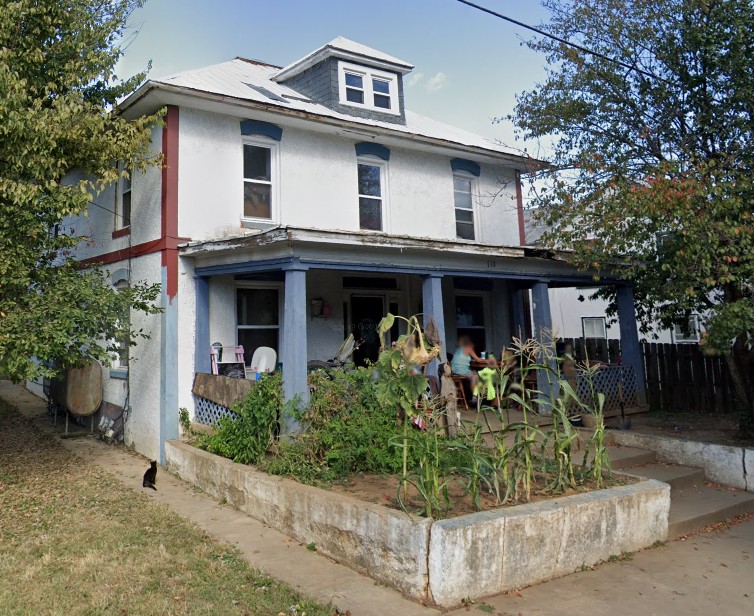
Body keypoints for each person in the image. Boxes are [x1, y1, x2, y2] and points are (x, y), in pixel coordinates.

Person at [450, 336, 482, 402]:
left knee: (472, 372)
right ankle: (475, 397)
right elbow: (478, 360)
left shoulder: (458, 349)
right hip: (461, 372)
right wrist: (488, 360)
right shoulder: (469, 348)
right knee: (475, 376)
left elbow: (461, 359)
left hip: (453, 371)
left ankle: (473, 395)